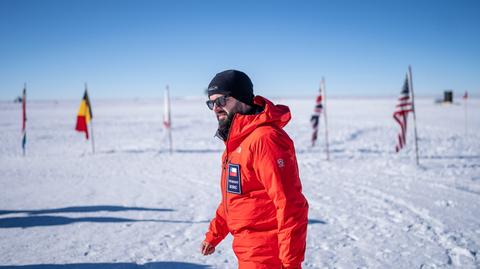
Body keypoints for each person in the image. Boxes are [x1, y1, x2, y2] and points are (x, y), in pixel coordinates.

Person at [200, 70, 309, 269]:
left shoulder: (265, 139)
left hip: (268, 256)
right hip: (249, 252)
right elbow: (235, 198)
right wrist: (214, 235)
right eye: (211, 103)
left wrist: (290, 263)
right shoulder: (237, 141)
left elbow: (290, 205)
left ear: (242, 98)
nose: (216, 108)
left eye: (222, 100)